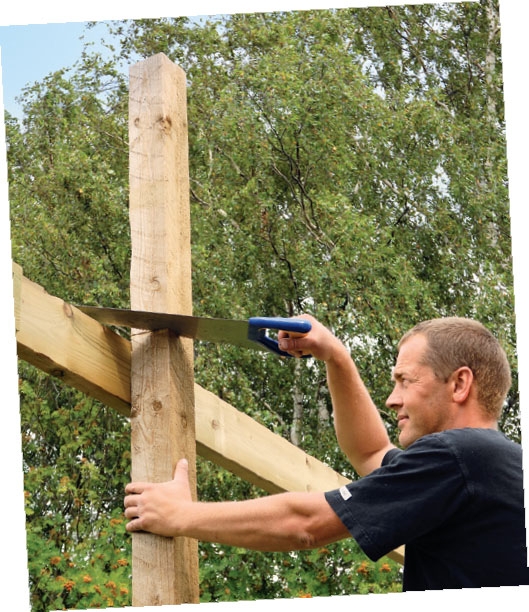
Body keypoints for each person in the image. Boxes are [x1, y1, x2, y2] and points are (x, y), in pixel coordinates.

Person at [124, 315, 529, 591]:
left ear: (459, 384)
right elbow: (370, 451)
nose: (392, 399)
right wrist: (336, 355)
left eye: (406, 380)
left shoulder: (460, 455)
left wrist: (180, 515)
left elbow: (306, 525)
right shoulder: (486, 466)